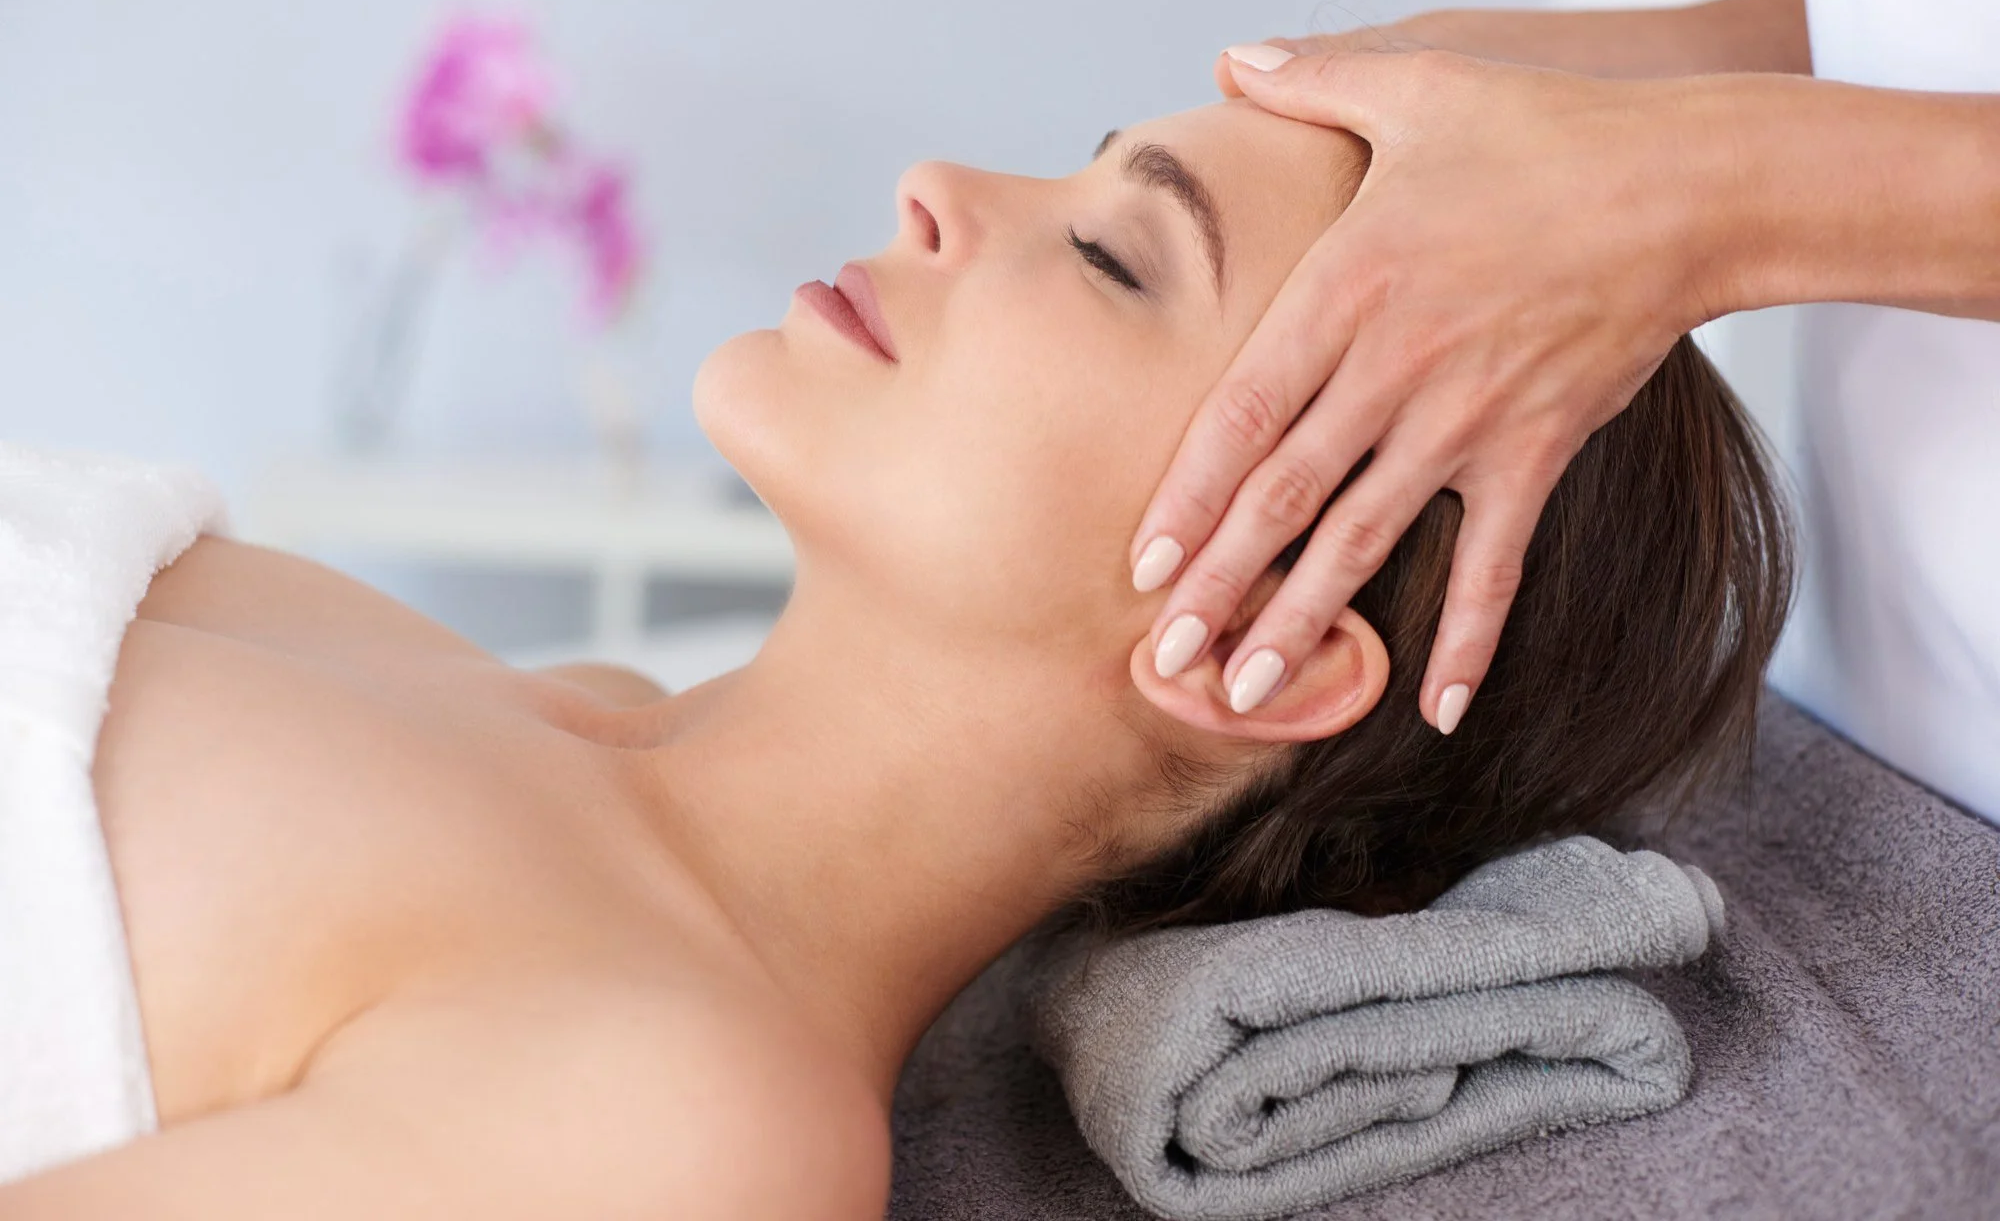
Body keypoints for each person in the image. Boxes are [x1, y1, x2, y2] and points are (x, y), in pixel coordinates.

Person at [3, 97, 1787, 1217]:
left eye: (1117, 255)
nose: (938, 184)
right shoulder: (569, 725)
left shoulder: (675, 1120)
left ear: (1258, 642)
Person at [1129, 0, 1999, 826]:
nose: (992, 181)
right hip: (1873, 703)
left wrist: (1696, 188)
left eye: (1110, 262)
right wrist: (1556, 96)